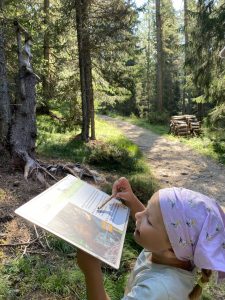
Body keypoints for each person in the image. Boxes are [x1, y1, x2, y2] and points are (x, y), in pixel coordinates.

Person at [77, 177, 225, 300]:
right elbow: (161, 230)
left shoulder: (157, 290)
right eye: (146, 209)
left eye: (148, 219)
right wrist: (131, 199)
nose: (138, 215)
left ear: (171, 249)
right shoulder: (183, 253)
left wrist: (91, 270)